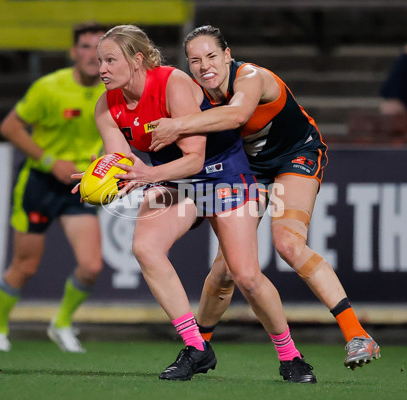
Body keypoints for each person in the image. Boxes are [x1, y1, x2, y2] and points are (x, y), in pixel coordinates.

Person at [81, 24, 316, 383]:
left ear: (137, 59)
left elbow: (194, 158)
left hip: (222, 173)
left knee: (246, 275)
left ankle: (291, 356)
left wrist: (145, 176)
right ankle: (197, 346)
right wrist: (100, 181)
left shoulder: (171, 83)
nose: (102, 69)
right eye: (100, 61)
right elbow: (122, 162)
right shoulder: (106, 106)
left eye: (110, 60)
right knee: (146, 248)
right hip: (174, 178)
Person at [147, 25, 380, 370]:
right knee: (227, 267)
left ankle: (357, 334)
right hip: (248, 168)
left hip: (295, 156)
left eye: (211, 56)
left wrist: (178, 126)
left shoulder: (251, 76)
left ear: (228, 55)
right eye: (194, 60)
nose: (203, 65)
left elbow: (238, 115)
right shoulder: (194, 94)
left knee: (287, 242)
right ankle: (200, 349)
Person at [0, 22, 108, 353]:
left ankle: (62, 323)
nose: (91, 55)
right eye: (85, 46)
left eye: (99, 48)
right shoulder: (49, 87)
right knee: (26, 265)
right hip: (39, 182)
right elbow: (10, 127)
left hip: (80, 186)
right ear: (73, 52)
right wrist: (51, 161)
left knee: (92, 265)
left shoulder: (115, 91)